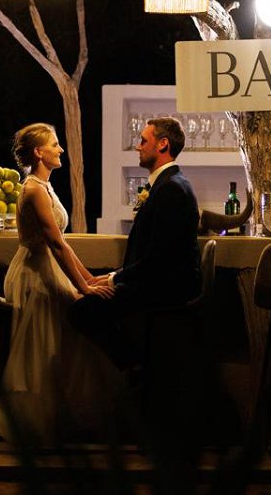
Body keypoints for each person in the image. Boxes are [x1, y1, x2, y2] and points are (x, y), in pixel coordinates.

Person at [0, 123, 117, 446]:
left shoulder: (44, 185)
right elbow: (55, 245)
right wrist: (83, 288)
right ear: (38, 152)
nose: (61, 149)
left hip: (48, 266)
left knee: (70, 336)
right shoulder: (33, 190)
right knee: (43, 347)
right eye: (55, 144)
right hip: (36, 273)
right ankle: (35, 427)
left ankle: (62, 421)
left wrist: (88, 278)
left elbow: (63, 243)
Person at [69, 116, 201, 374]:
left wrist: (115, 279)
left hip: (168, 287)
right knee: (88, 298)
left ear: (163, 144)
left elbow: (160, 259)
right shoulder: (167, 184)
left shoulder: (171, 189)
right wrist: (115, 276)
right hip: (158, 280)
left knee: (82, 310)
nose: (138, 146)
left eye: (143, 140)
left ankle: (134, 367)